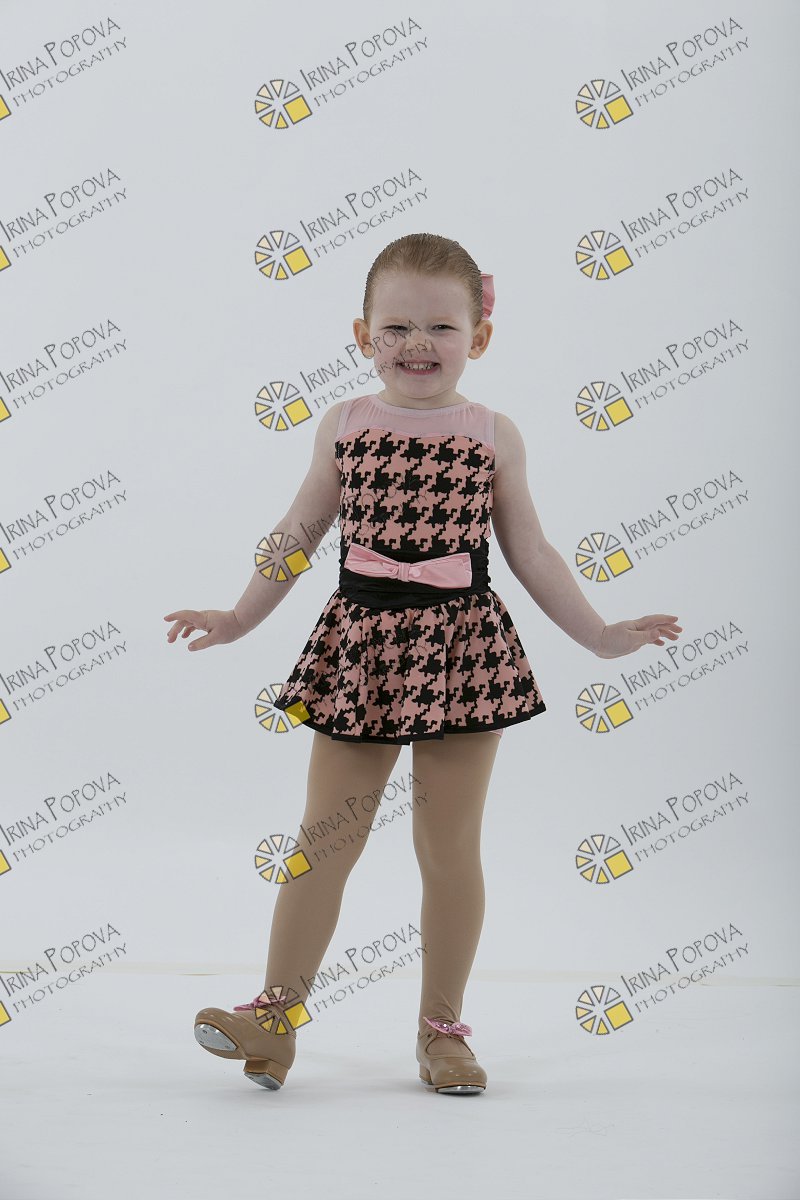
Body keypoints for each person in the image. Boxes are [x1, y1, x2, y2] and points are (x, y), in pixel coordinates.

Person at [163, 232, 681, 1095]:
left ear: (480, 335)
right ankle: (274, 1019)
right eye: (396, 326)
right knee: (322, 842)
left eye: (441, 327)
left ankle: (442, 1032)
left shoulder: (493, 434)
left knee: (447, 849)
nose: (417, 344)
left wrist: (600, 636)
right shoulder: (345, 424)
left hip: (464, 654)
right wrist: (238, 617)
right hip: (359, 649)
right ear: (361, 334)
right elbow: (297, 533)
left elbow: (531, 551)